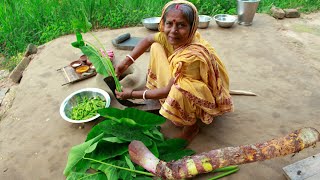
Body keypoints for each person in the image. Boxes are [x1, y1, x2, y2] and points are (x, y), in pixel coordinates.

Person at [115, 0, 233, 142]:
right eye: (169, 23)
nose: (173, 30)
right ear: (163, 24)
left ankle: (191, 126)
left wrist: (133, 94)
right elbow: (147, 40)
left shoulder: (192, 57)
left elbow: (168, 90)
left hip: (199, 90)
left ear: (192, 28)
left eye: (181, 25)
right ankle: (159, 97)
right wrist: (126, 62)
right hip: (178, 76)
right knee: (155, 47)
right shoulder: (167, 36)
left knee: (179, 90)